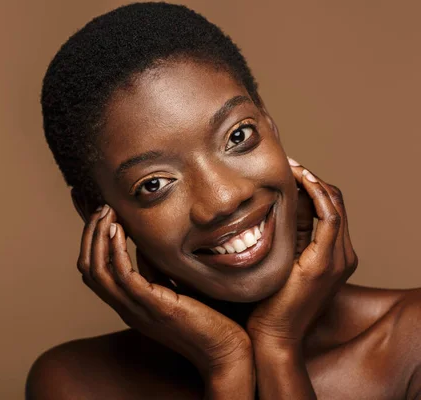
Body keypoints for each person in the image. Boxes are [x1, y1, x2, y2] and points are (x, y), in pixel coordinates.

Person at [26, 3, 421, 399]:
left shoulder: (411, 344)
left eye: (237, 137)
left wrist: (277, 346)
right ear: (98, 212)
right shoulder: (76, 384)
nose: (223, 199)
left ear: (269, 122)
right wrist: (227, 362)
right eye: (155, 184)